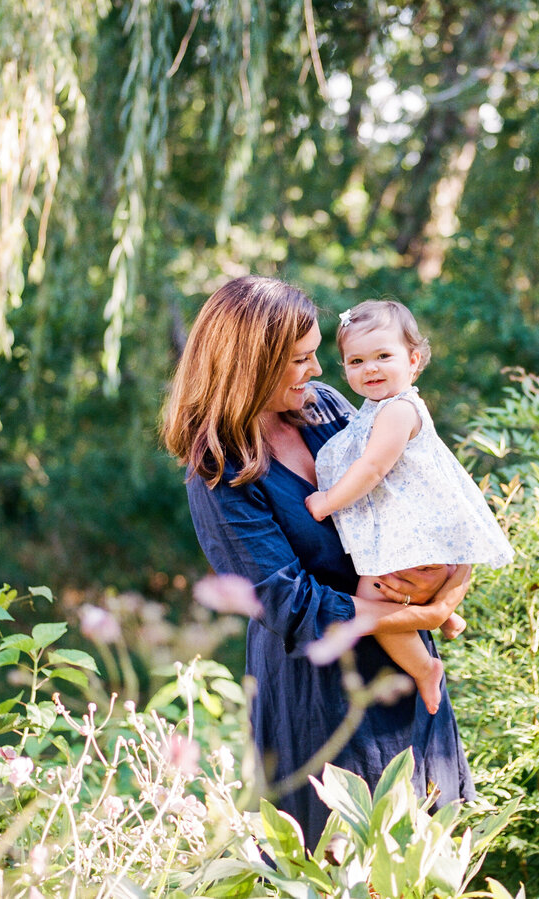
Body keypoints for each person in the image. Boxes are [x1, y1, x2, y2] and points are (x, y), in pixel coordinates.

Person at [161, 275, 475, 847]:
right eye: (302, 359)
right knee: (341, 862)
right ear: (253, 366)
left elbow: (417, 488)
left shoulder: (325, 408)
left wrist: (452, 586)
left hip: (406, 681)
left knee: (431, 857)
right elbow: (288, 603)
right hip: (320, 700)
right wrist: (418, 618)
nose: (321, 371)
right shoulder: (220, 470)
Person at [304, 301, 513, 715]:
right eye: (357, 360)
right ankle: (444, 617)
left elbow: (373, 467)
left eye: (384, 356)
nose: (371, 368)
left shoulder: (399, 410)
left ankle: (423, 668)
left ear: (413, 360)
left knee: (371, 595)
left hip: (412, 537)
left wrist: (328, 501)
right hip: (409, 534)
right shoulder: (374, 409)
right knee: (394, 589)